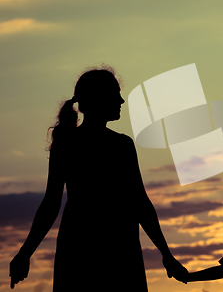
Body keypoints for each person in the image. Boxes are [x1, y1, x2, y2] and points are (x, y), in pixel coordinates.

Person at [9, 66, 188, 291]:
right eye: (116, 94)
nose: (122, 100)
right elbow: (140, 203)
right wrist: (166, 254)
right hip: (114, 245)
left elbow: (51, 204)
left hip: (86, 243)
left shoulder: (71, 144)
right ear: (98, 98)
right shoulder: (119, 145)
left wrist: (24, 254)